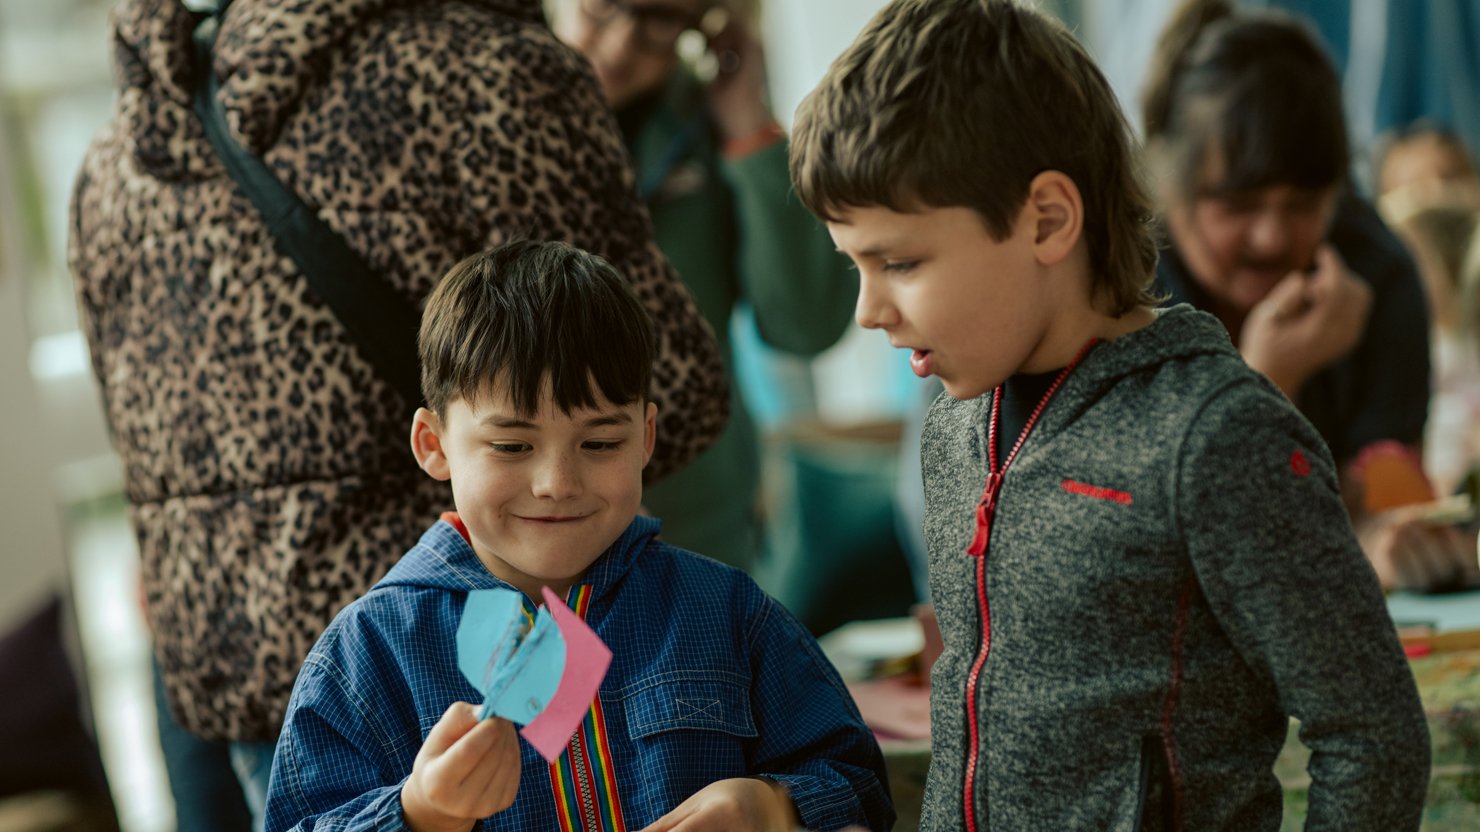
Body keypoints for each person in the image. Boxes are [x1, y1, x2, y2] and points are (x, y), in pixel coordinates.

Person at [67, 0, 728, 819]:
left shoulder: (120, 145)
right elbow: (669, 383)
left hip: (222, 656)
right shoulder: (489, 74)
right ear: (429, 443)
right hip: (450, 659)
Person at [790, 0, 1430, 828]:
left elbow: (1373, 736)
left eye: (901, 263)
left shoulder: (1217, 436)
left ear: (1047, 220)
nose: (868, 311)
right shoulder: (952, 428)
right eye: (857, 267)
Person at [262, 241, 893, 832]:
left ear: (645, 438)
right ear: (434, 445)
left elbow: (860, 781)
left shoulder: (725, 614)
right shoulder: (367, 656)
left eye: (600, 443)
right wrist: (419, 813)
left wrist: (775, 806)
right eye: (512, 446)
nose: (557, 484)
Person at [1140, 0, 1478, 591]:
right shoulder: (1123, 287)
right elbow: (1157, 546)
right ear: (1171, 187)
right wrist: (1267, 385)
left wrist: (1384, 543)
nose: (1272, 237)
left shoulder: (1376, 273)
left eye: (1302, 205)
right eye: (1239, 205)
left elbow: (1374, 502)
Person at [554, 0, 856, 571]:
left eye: (660, 20)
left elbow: (807, 325)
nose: (621, 45)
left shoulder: (705, 124)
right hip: (532, 511)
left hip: (696, 521)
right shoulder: (491, 116)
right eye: (603, 7)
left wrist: (749, 126)